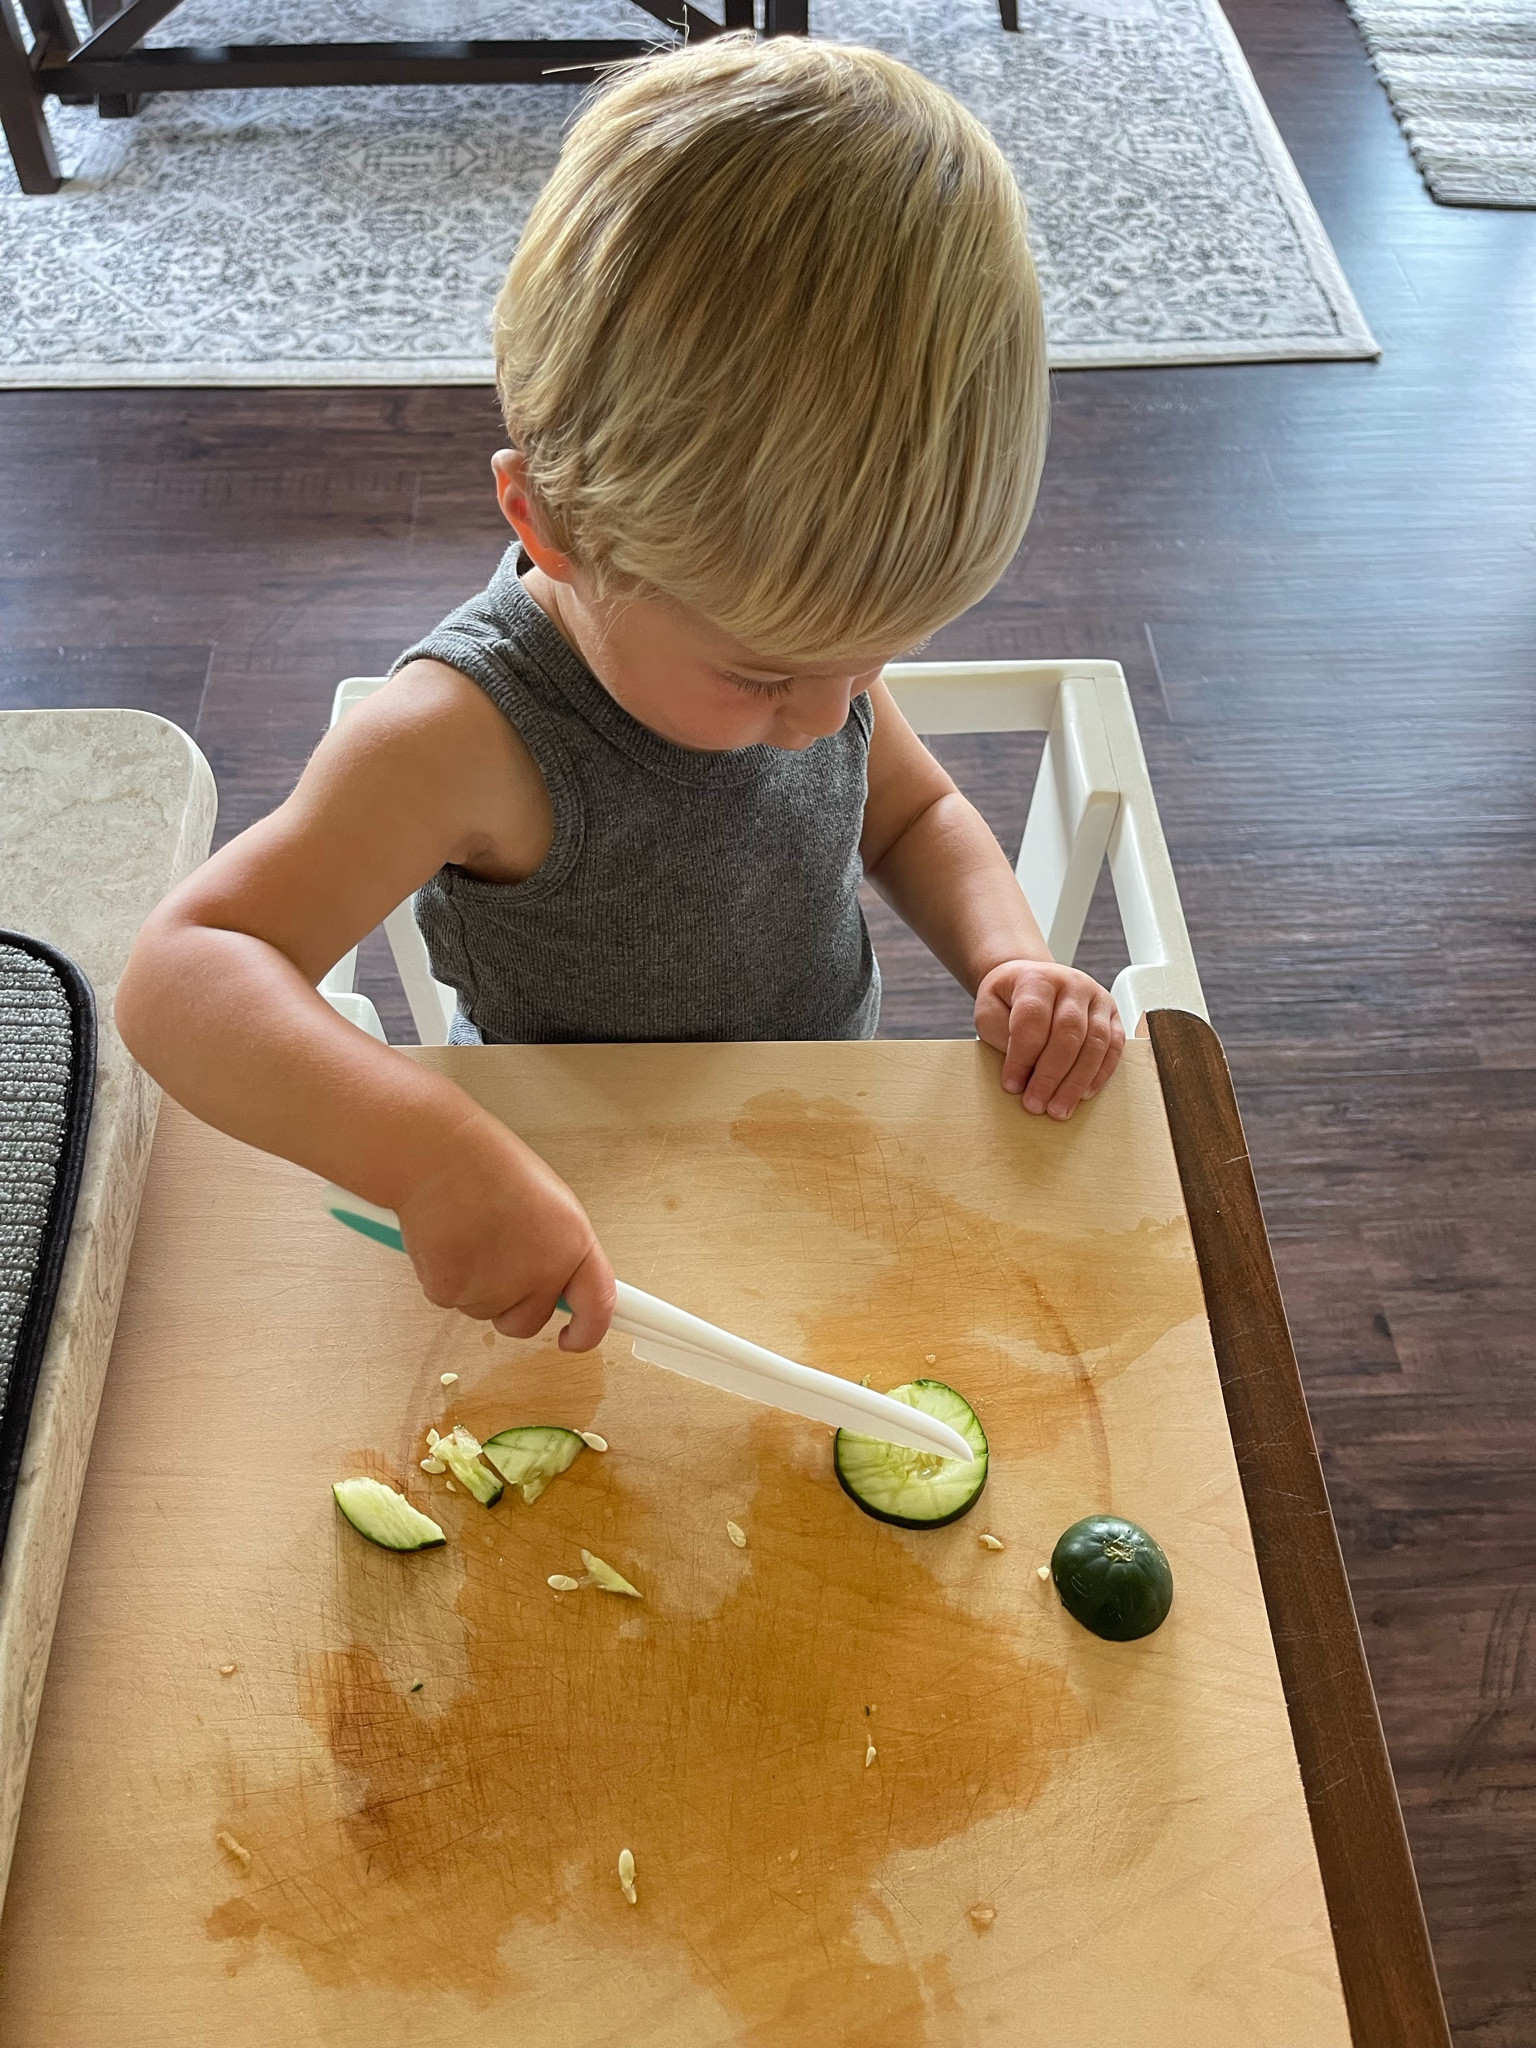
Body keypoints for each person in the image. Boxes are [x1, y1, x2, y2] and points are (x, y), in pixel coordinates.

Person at [116, 31, 1124, 1355]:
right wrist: (423, 1151)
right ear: (553, 532)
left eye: (868, 665)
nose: (826, 719)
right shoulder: (462, 733)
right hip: (565, 1194)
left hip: (802, 1132)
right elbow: (181, 975)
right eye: (763, 678)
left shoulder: (793, 640)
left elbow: (909, 815)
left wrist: (1011, 959)